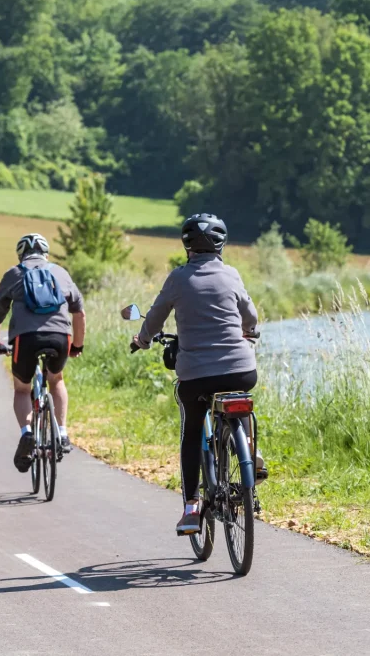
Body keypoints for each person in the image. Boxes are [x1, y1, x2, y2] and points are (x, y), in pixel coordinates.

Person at [132, 213, 263, 536]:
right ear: (221, 244)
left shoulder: (178, 278)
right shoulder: (231, 275)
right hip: (241, 370)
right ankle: (248, 447)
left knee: (192, 431)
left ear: (186, 245)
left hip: (195, 376)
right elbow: (251, 316)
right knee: (237, 398)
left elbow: (155, 317)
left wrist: (143, 340)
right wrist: (250, 331)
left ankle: (192, 506)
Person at [0, 233, 86, 472]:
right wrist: (77, 346)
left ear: (21, 254)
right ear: (46, 253)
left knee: (22, 389)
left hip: (25, 339)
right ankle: (62, 434)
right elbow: (79, 313)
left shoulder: (14, 273)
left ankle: (27, 432)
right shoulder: (60, 272)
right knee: (57, 380)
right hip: (60, 337)